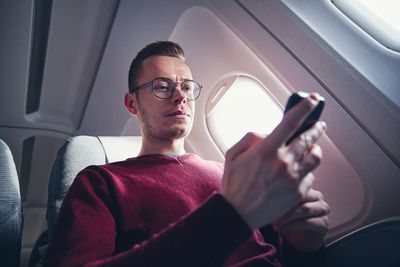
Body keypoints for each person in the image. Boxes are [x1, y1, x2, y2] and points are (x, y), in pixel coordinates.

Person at [44, 41, 329, 267]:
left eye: (187, 87)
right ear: (132, 104)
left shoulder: (230, 175)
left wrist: (304, 248)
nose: (180, 96)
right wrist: (231, 215)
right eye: (162, 87)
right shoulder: (101, 182)